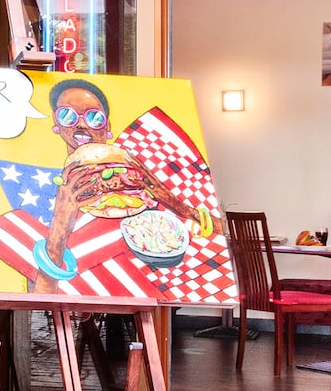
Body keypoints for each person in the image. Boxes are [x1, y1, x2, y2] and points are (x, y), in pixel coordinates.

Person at [32, 78, 213, 289]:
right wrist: (60, 226)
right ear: (56, 125)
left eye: (94, 117)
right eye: (67, 116)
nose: (81, 124)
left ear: (107, 126)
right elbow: (38, 293)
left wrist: (176, 204)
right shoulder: (51, 192)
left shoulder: (140, 180)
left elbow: (205, 247)